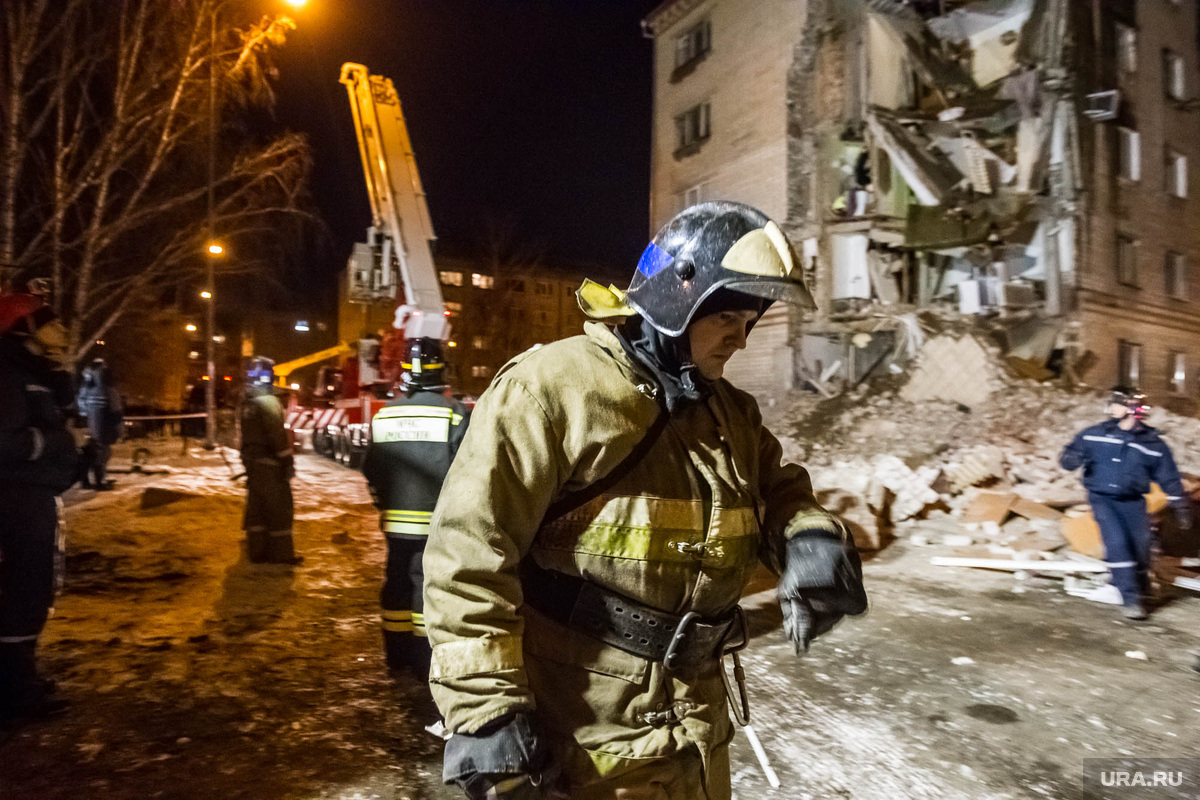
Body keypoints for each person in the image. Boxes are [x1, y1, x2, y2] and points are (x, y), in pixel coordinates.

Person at [423, 202, 868, 800]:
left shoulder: (729, 412)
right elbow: (468, 556)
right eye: (728, 317)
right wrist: (486, 712)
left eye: (751, 321)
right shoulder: (552, 391)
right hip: (583, 735)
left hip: (697, 732)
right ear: (677, 300)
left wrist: (811, 539)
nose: (740, 339)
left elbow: (780, 491)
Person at [361, 338, 469, 677]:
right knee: (427, 586)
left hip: (395, 522)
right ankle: (424, 660)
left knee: (396, 581)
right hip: (437, 523)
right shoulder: (454, 413)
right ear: (441, 369)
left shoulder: (386, 413)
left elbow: (372, 469)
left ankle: (396, 655)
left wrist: (386, 502)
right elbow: (467, 469)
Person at [0, 292, 79, 719]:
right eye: (51, 321)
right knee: (24, 589)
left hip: (29, 494)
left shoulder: (31, 371)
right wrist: (60, 443)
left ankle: (19, 677)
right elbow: (5, 443)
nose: (62, 329)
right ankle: (13, 691)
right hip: (16, 496)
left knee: (31, 588)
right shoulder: (8, 373)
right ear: (24, 328)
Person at [1060, 386, 1191, 620]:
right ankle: (1130, 599)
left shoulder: (1153, 445)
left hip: (1133, 502)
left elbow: (1169, 478)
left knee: (1141, 548)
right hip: (1102, 499)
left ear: (1133, 408)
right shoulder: (1094, 434)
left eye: (1118, 403)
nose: (1112, 407)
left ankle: (1141, 588)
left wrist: (1181, 506)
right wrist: (1072, 458)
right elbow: (1068, 457)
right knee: (1117, 543)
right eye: (1112, 403)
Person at [238, 357, 299, 565]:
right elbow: (277, 437)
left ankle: (257, 552)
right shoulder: (269, 403)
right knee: (279, 510)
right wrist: (287, 462)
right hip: (270, 466)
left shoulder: (247, 404)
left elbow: (245, 437)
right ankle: (281, 555)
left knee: (256, 510)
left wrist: (247, 462)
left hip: (252, 464)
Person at [76, 358, 123, 490]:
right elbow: (115, 410)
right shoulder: (108, 389)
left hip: (89, 428)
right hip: (104, 426)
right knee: (102, 454)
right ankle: (100, 481)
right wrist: (119, 429)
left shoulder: (86, 387)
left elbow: (81, 405)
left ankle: (85, 481)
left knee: (89, 454)